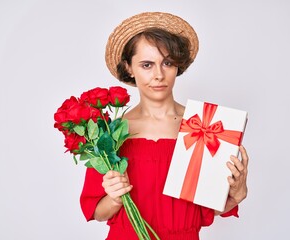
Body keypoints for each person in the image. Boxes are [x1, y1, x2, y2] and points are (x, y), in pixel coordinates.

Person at [80, 12, 249, 240]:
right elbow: (99, 213)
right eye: (147, 64)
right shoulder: (111, 134)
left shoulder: (205, 127)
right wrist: (114, 197)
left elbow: (208, 209)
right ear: (129, 67)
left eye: (167, 63)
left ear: (177, 66)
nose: (159, 75)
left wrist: (237, 194)